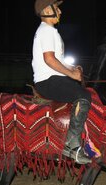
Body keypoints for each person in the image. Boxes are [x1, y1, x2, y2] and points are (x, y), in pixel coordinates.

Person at [32, 0, 92, 164]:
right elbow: (50, 60)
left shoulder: (50, 31)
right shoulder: (47, 31)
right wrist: (71, 75)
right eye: (57, 8)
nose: (60, 11)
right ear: (47, 10)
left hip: (52, 78)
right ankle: (71, 145)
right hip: (48, 81)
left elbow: (58, 59)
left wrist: (73, 69)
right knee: (84, 95)